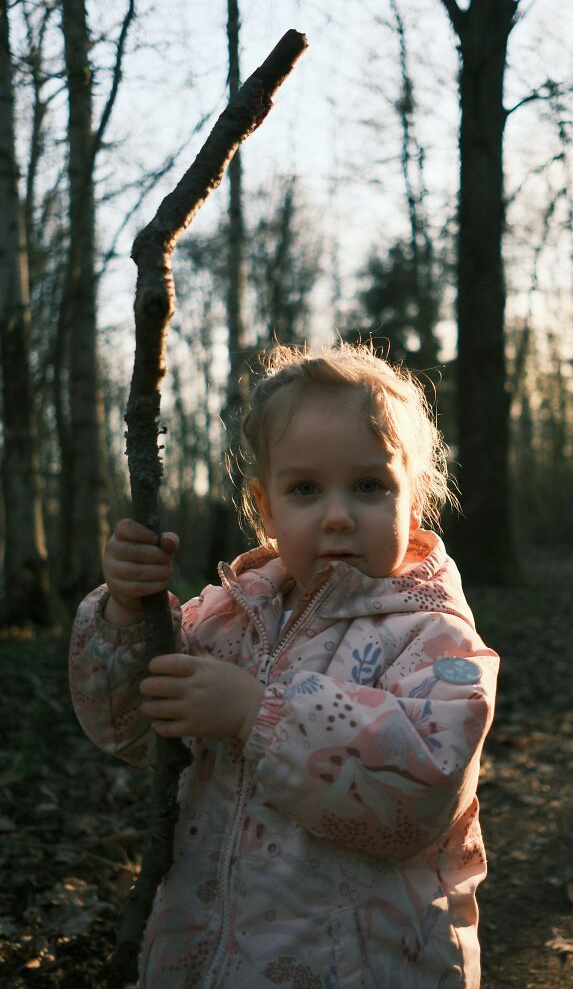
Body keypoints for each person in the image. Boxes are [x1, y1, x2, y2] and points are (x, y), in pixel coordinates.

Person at [70, 342, 499, 989]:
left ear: (412, 503)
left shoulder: (433, 637)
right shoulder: (223, 619)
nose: (336, 515)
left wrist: (257, 714)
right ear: (266, 508)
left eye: (369, 486)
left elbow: (420, 789)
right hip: (203, 959)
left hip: (367, 967)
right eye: (304, 489)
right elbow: (127, 726)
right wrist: (128, 614)